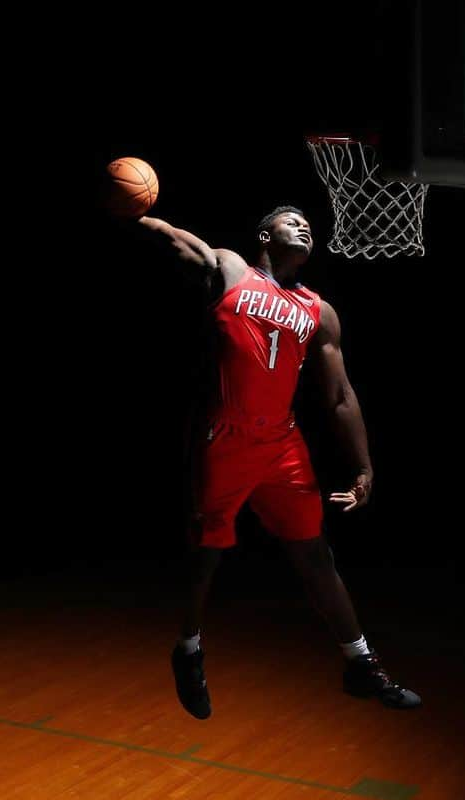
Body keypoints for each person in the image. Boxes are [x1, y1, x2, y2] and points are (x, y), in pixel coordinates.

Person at [127, 203, 421, 718]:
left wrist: (364, 466)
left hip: (282, 445)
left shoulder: (317, 310)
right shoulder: (231, 270)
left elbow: (340, 396)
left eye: (308, 223)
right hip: (226, 438)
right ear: (265, 233)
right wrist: (132, 212)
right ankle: (189, 649)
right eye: (292, 221)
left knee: (315, 554)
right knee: (207, 551)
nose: (305, 226)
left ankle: (360, 663)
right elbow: (172, 236)